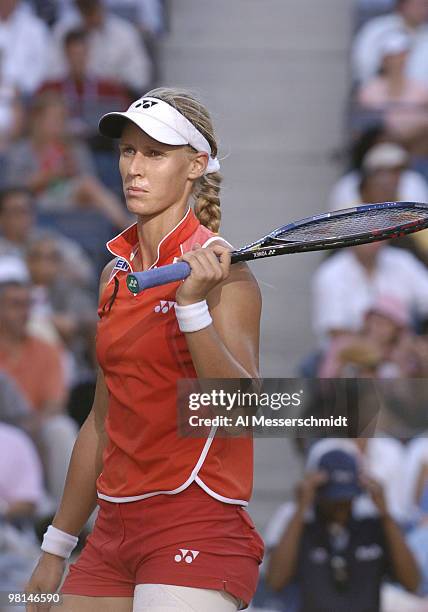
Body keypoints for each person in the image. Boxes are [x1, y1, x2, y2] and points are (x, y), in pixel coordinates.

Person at [25, 88, 264, 612]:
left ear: (195, 165)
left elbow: (242, 409)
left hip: (197, 521)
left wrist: (192, 308)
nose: (134, 167)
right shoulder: (115, 274)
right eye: (128, 151)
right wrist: (56, 547)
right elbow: (102, 419)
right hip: (113, 526)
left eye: (154, 154)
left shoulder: (229, 277)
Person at [265, 444, 420, 612]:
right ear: (318, 493)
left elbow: (412, 582)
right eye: (334, 499)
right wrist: (301, 508)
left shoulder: (372, 525)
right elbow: (275, 581)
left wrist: (385, 514)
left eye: (346, 498)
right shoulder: (302, 526)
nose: (341, 506)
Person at [48, 0, 152, 94]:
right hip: (69, 97)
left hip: (114, 99)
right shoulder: (63, 31)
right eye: (85, 7)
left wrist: (114, 83)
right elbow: (51, 73)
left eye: (93, 6)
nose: (90, 12)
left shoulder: (125, 32)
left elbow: (140, 77)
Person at [352, 0, 428, 83]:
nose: (424, 9)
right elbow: (363, 64)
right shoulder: (377, 28)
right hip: (379, 92)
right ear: (403, 5)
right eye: (420, 4)